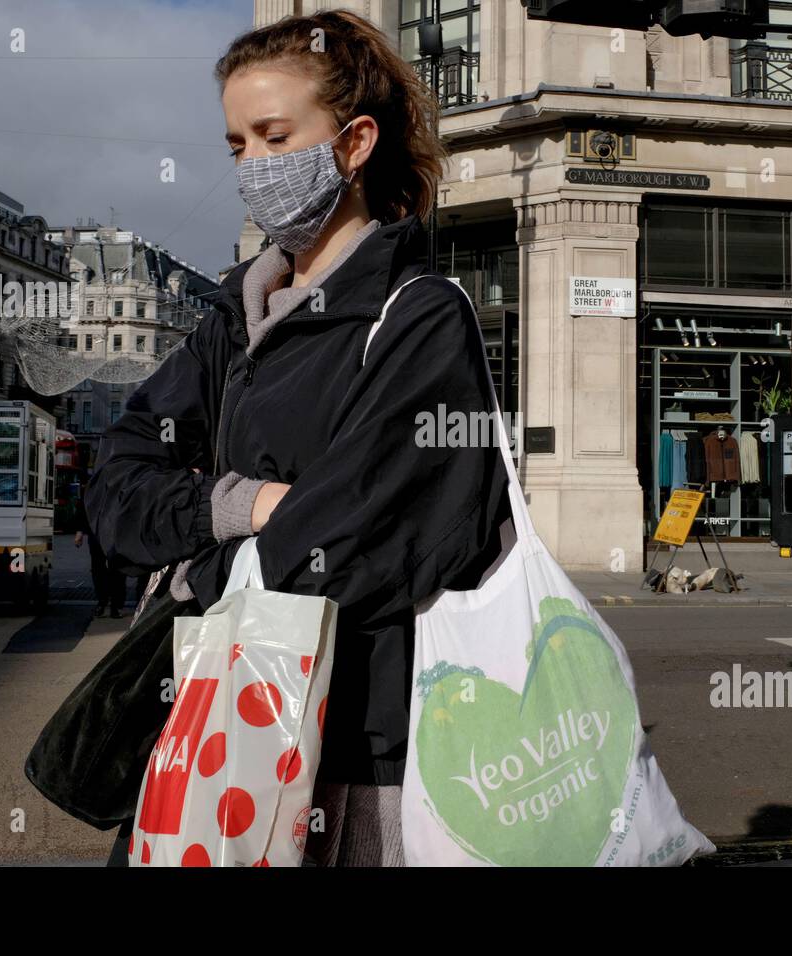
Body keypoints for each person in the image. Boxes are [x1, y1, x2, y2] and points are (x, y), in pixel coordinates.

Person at [86, 11, 510, 867]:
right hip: (215, 729)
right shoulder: (233, 322)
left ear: (353, 143)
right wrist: (244, 503)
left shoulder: (418, 317)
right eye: (237, 144)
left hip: (352, 749)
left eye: (275, 136)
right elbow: (112, 490)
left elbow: (355, 547)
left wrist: (211, 536)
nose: (252, 166)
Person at [73, 487, 126, 618]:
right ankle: (106, 603)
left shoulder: (103, 485)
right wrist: (80, 531)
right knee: (100, 569)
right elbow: (85, 508)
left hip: (114, 533)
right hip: (99, 533)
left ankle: (113, 604)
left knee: (115, 569)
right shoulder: (94, 487)